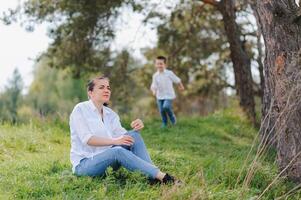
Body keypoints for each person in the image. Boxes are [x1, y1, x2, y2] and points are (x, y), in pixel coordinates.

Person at [69, 76, 179, 184]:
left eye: (108, 88)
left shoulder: (110, 114)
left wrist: (136, 127)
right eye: (101, 87)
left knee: (133, 136)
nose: (106, 90)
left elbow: (124, 137)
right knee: (117, 151)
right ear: (90, 92)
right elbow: (87, 139)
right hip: (85, 165)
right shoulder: (80, 109)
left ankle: (152, 177)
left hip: (108, 161)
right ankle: (163, 177)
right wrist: (114, 141)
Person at [150, 56, 185, 128]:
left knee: (166, 106)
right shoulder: (155, 76)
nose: (159, 65)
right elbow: (154, 85)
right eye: (158, 64)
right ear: (155, 65)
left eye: (161, 64)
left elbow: (177, 80)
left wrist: (181, 86)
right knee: (162, 110)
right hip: (159, 96)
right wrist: (154, 91)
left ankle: (172, 117)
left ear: (165, 65)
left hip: (169, 95)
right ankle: (164, 123)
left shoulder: (169, 73)